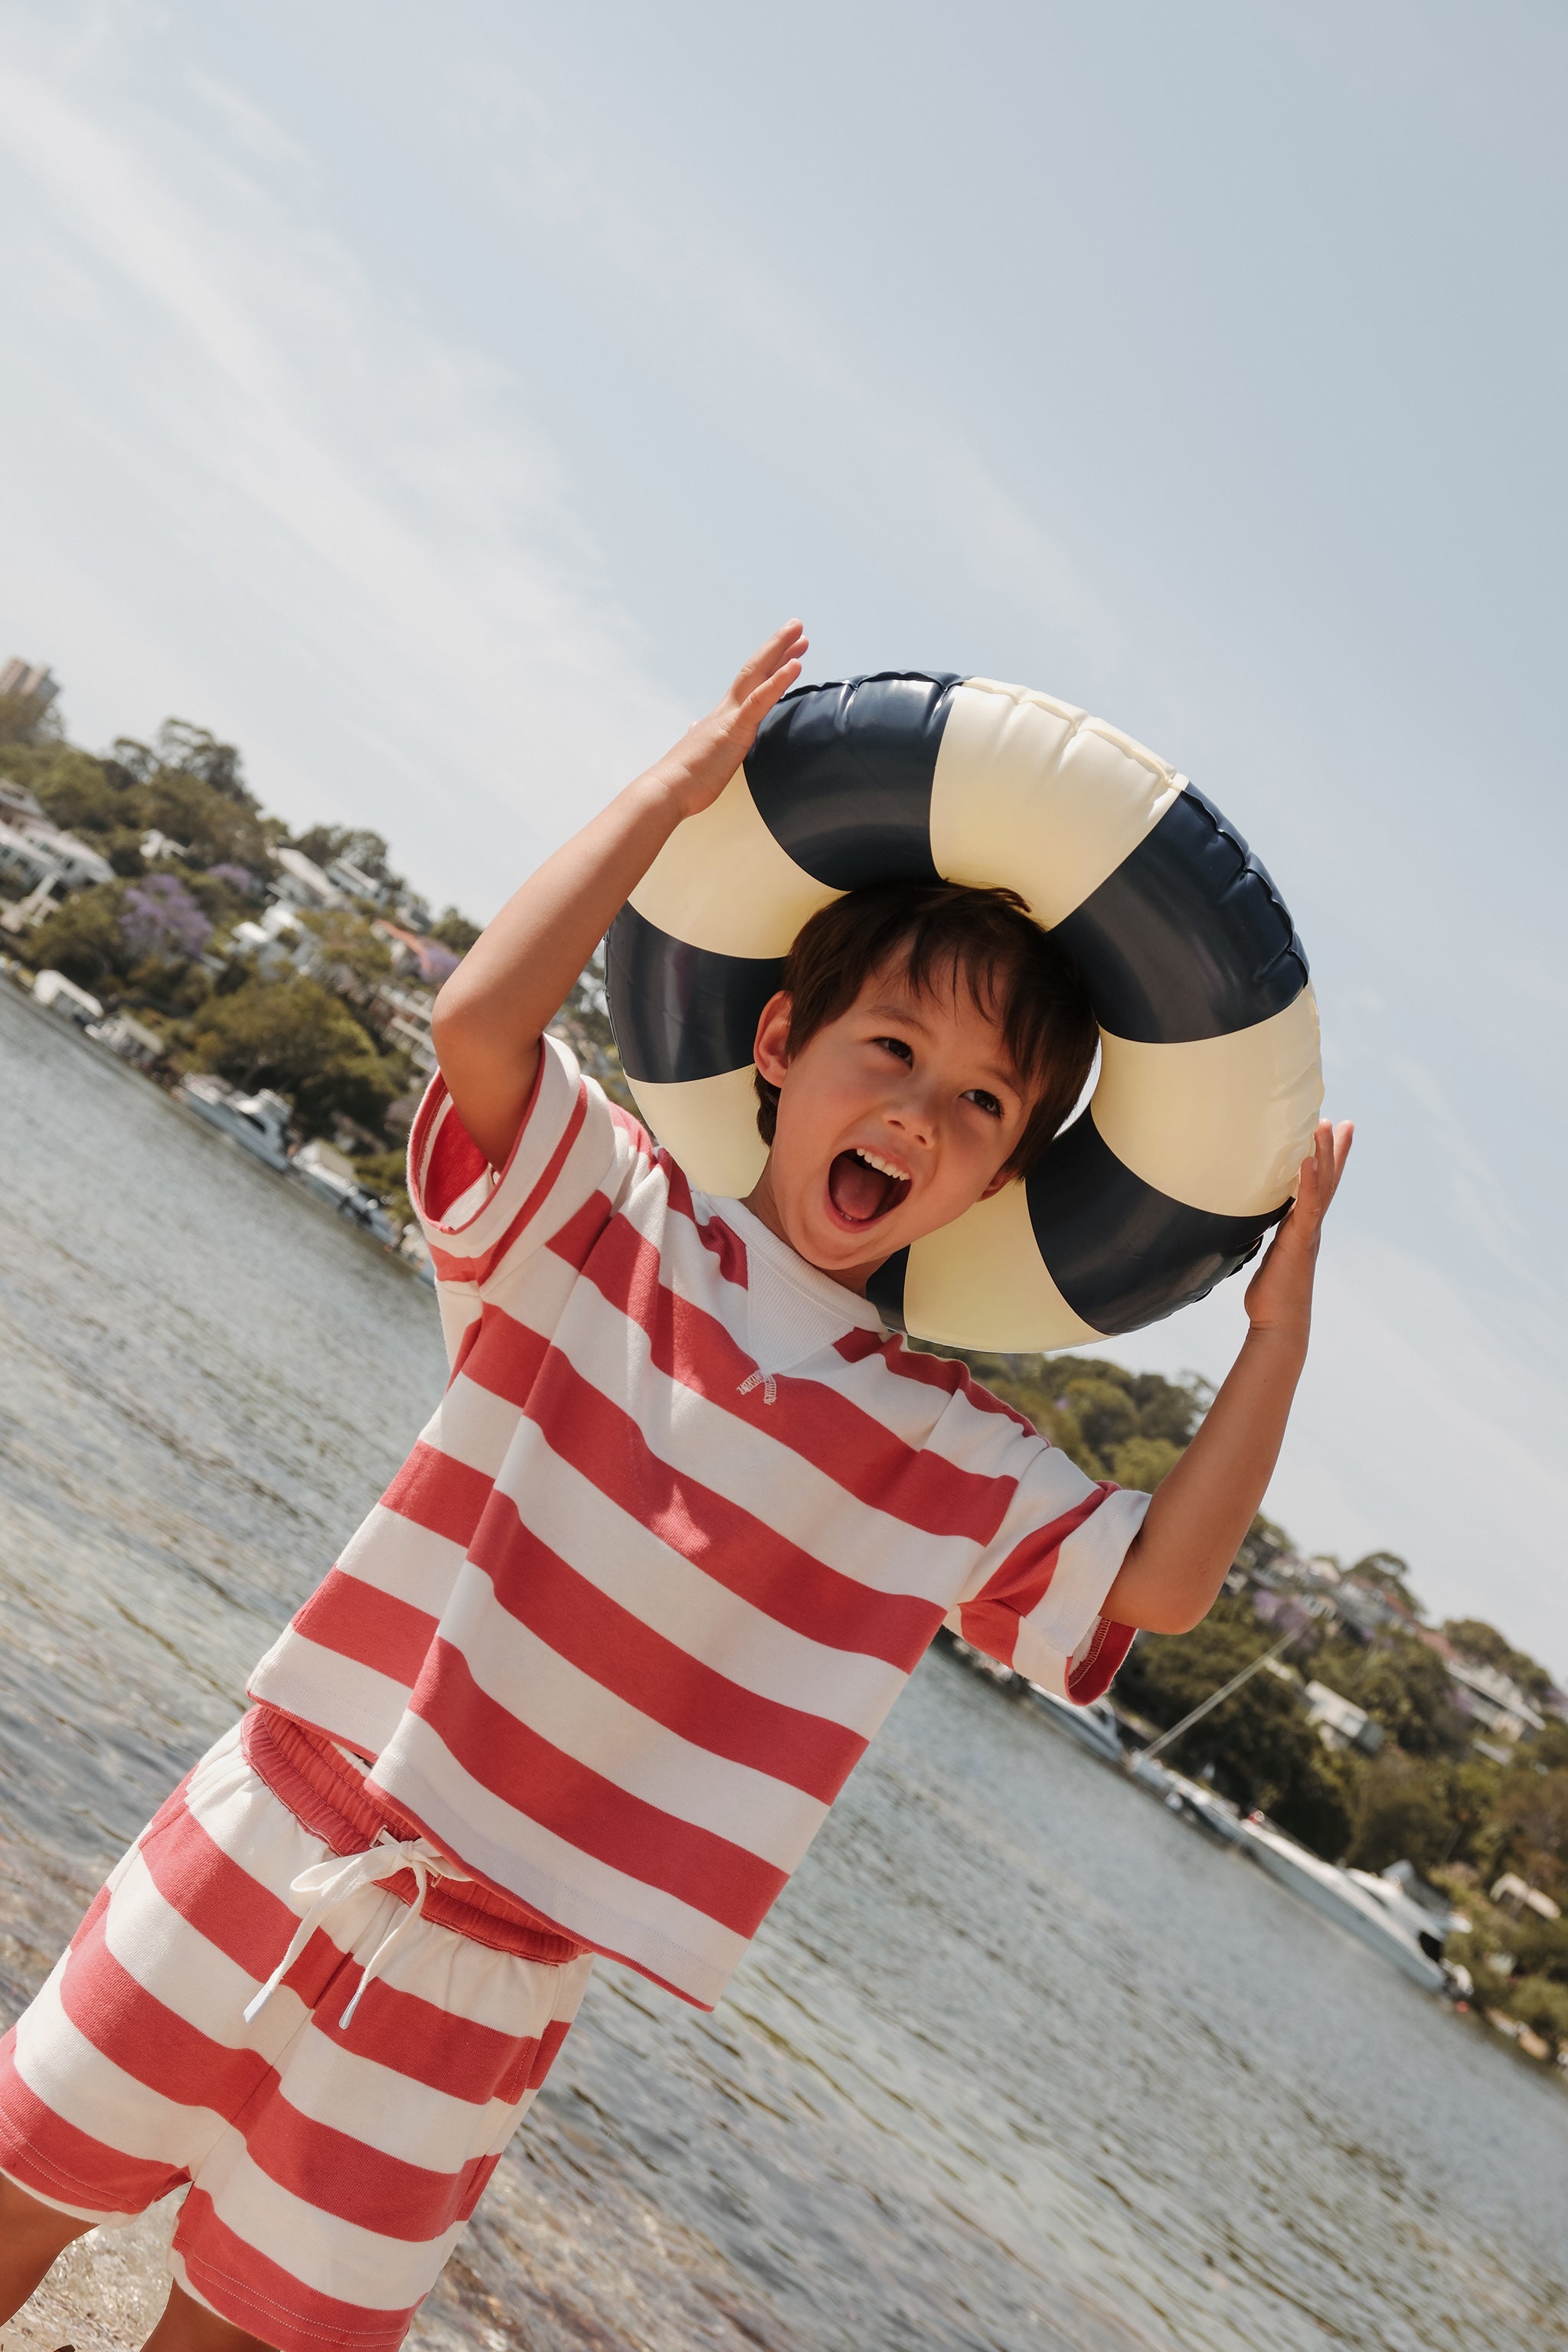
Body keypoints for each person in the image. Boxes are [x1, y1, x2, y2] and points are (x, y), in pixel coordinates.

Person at [0, 622, 1351, 2352]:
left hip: (484, 1985)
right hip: (284, 1821)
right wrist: (670, 790)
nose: (918, 1115)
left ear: (1004, 1175)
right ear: (779, 1040)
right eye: (889, 1052)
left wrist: (1278, 1333)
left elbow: (1155, 1588)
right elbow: (481, 1021)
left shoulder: (944, 1456)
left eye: (980, 1103)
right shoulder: (603, 1203)